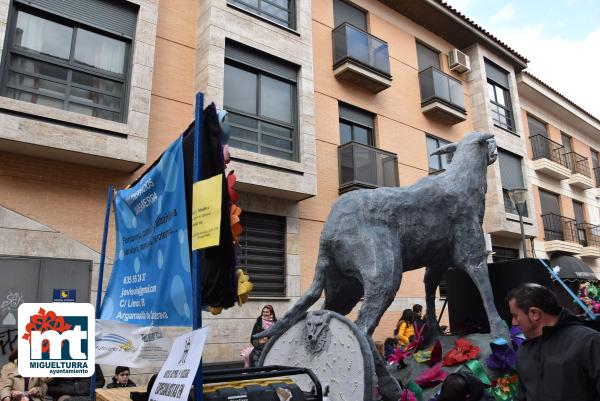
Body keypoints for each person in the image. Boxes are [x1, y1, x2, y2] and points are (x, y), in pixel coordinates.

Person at [507, 283, 600, 401]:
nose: (514, 322)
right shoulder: (524, 350)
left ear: (534, 313)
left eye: (515, 315)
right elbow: (521, 396)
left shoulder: (588, 341)